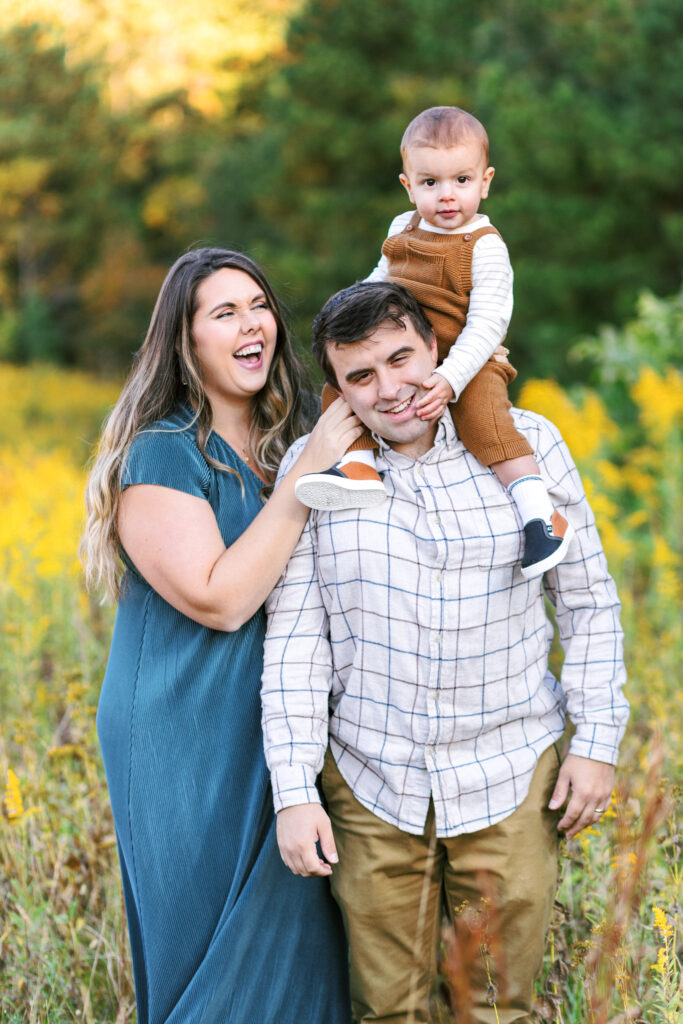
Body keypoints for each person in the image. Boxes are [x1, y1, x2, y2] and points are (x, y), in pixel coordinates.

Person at [261, 281, 629, 1024]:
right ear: (336, 389)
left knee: (496, 1006)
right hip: (370, 779)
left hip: (509, 770)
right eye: (360, 376)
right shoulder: (314, 466)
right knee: (388, 1010)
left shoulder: (528, 444)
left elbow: (587, 602)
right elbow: (297, 639)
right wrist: (294, 790)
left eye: (401, 359)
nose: (390, 389)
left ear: (436, 350)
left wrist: (596, 742)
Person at [81, 248, 359, 1024]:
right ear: (187, 341)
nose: (250, 325)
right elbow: (220, 599)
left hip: (281, 723)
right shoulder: (163, 451)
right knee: (215, 949)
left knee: (306, 935)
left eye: (259, 305)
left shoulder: (286, 445)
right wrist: (311, 478)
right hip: (182, 731)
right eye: (223, 312)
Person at [294, 106, 573, 580]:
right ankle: (359, 465)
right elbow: (379, 280)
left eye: (461, 181)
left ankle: (539, 514)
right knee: (341, 396)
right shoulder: (402, 227)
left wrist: (450, 376)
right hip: (404, 353)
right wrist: (350, 312)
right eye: (430, 184)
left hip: (469, 358)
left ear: (484, 182)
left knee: (486, 422)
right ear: (408, 185)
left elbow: (489, 322)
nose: (447, 196)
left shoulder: (484, 245)